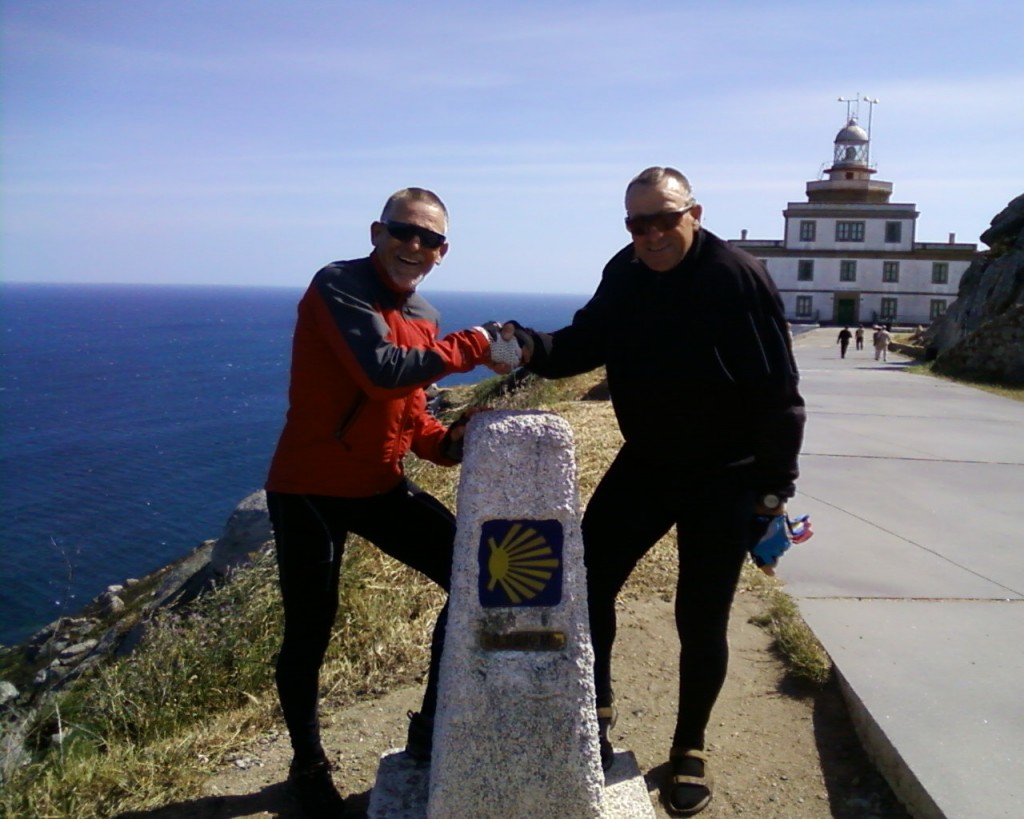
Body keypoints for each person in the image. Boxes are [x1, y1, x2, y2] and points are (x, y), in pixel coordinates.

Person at [508, 167, 805, 817]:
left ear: (693, 212)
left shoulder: (735, 277)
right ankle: (598, 704)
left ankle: (690, 745)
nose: (651, 234)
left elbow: (780, 395)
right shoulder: (627, 271)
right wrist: (528, 346)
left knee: (700, 616)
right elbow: (581, 343)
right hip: (646, 463)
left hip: (726, 473)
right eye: (637, 223)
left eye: (663, 219)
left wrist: (773, 492)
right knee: (586, 580)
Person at [265, 187, 507, 816]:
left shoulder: (422, 312)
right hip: (309, 490)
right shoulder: (338, 286)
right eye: (406, 232)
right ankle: (308, 765)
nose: (416, 247)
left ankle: (430, 726)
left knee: (473, 575)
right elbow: (382, 372)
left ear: (442, 253)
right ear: (378, 232)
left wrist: (454, 441)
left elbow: (410, 415)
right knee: (308, 632)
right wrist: (474, 345)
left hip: (377, 486)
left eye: (431, 240)